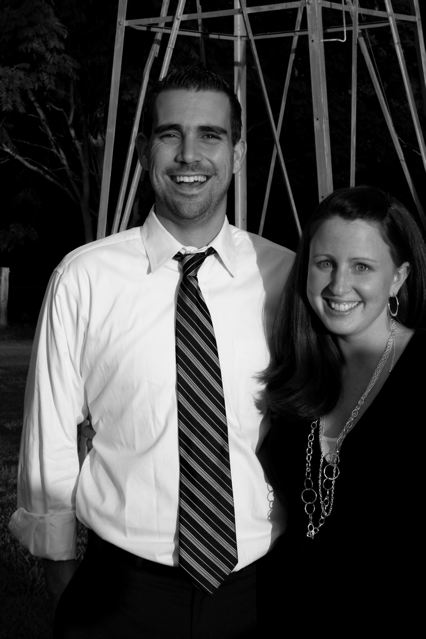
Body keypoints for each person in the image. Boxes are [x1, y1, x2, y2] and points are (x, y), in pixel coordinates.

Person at [9, 63, 295, 638]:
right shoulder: (84, 278)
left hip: (256, 589)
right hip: (119, 593)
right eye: (170, 134)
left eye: (210, 135)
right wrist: (59, 565)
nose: (189, 155)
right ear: (145, 151)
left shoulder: (284, 276)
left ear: (237, 154)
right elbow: (51, 434)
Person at [258, 185, 426, 633]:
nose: (338, 286)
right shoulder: (296, 372)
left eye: (362, 267)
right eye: (325, 263)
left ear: (398, 277)